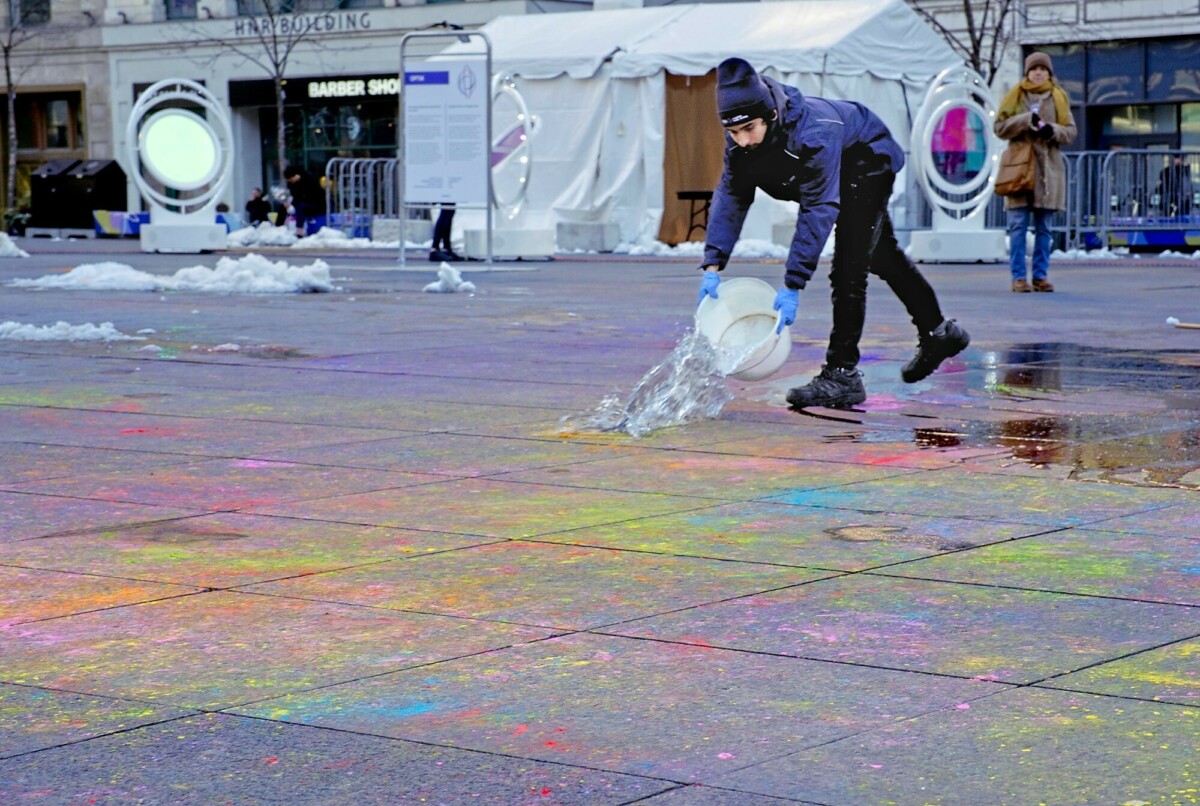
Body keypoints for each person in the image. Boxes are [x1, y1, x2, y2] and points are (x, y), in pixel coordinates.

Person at [697, 57, 970, 410]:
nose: (742, 140)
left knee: (849, 267)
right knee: (882, 257)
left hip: (866, 159)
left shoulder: (813, 132)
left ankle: (842, 373)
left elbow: (818, 208)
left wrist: (793, 282)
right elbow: (732, 195)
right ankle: (939, 334)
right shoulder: (740, 143)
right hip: (843, 164)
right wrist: (713, 263)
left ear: (771, 115)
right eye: (733, 132)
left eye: (749, 128)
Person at [994, 52, 1077, 293]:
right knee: (1017, 226)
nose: (1038, 73)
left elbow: (1071, 132)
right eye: (1034, 69)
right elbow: (999, 127)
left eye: (1043, 69)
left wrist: (1051, 130)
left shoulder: (1058, 97)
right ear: (1027, 72)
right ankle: (1018, 277)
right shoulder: (1016, 96)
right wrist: (1023, 121)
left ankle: (1040, 275)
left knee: (1044, 228)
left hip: (1048, 171)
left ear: (1049, 73)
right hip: (1019, 169)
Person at [283, 165, 327, 234]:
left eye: (291, 179)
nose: (290, 181)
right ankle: (281, 227)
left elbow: (315, 196)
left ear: (296, 175)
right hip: (303, 202)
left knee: (300, 207)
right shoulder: (292, 184)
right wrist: (290, 205)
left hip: (316, 204)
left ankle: (299, 229)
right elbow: (295, 196)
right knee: (287, 208)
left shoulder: (309, 179)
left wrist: (299, 199)